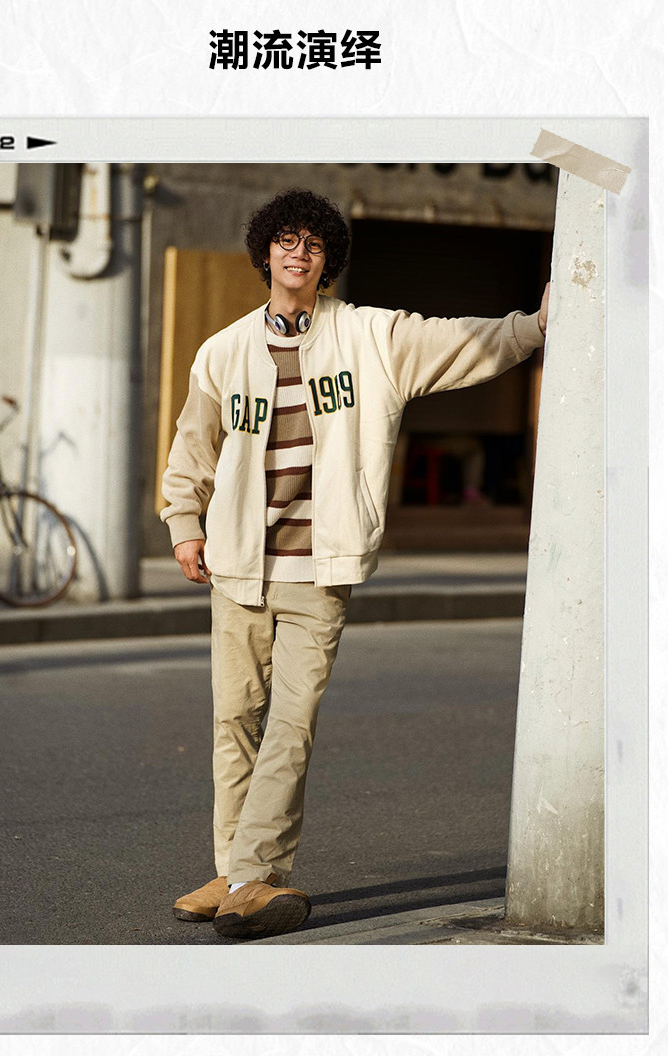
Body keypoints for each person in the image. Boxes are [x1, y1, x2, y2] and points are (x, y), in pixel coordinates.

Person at [160, 188, 549, 941]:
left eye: (313, 244)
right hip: (239, 567)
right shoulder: (224, 350)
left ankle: (253, 874)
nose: (298, 253)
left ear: (327, 260)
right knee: (233, 722)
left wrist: (531, 327)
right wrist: (184, 523)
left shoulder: (370, 337)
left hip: (319, 570)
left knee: (289, 727)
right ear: (265, 251)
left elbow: (457, 343)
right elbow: (193, 446)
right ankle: (233, 872)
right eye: (286, 240)